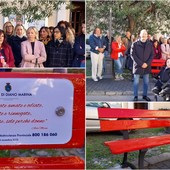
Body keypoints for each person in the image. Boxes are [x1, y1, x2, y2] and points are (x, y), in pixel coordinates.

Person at [131, 29, 154, 101]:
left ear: (147, 36)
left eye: (145, 34)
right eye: (142, 34)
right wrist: (141, 63)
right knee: (136, 82)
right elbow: (133, 55)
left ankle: (145, 95)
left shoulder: (150, 44)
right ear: (140, 35)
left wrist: (147, 63)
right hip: (138, 66)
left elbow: (152, 55)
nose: (144, 35)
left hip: (146, 66)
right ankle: (135, 96)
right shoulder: (135, 44)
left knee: (146, 82)